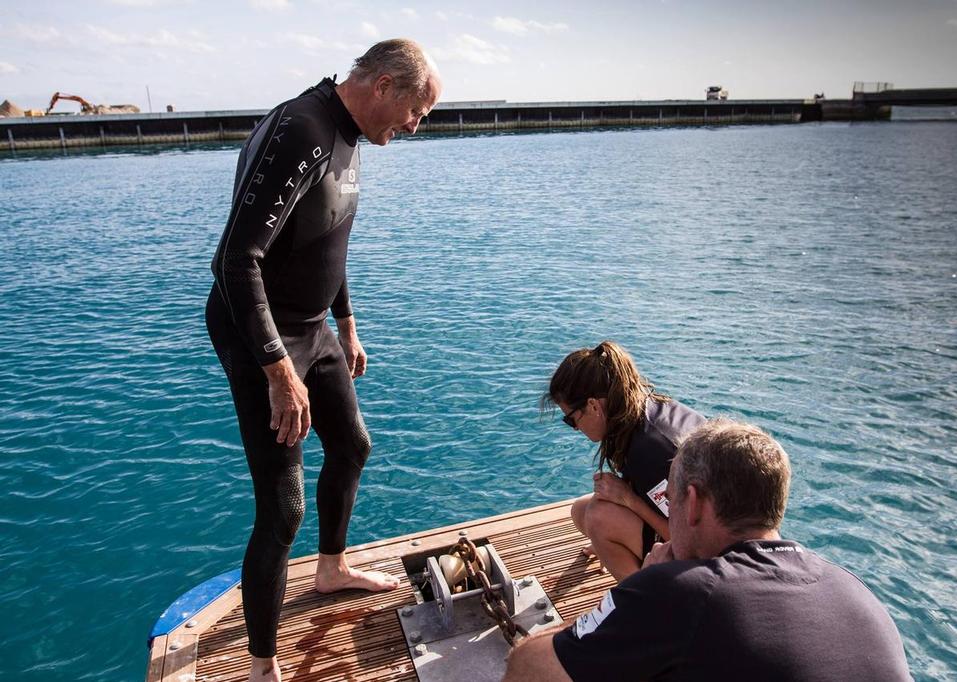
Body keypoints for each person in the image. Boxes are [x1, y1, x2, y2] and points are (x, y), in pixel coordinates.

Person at [204, 39, 441, 682]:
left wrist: (346, 324)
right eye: (417, 111)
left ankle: (331, 569)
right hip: (260, 335)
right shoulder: (301, 130)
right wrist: (278, 370)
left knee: (353, 444)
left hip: (313, 328)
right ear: (385, 86)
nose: (417, 126)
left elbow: (327, 237)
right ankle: (261, 666)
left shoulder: (350, 131)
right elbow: (235, 261)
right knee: (282, 508)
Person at [503, 419, 913, 681]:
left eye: (672, 497)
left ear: (694, 502)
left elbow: (528, 668)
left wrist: (638, 588)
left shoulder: (687, 590)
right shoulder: (854, 589)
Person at [546, 341, 705, 580]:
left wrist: (627, 499)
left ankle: (643, 603)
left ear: (592, 406)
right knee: (582, 511)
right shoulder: (642, 412)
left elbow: (685, 537)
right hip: (700, 531)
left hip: (709, 554)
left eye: (571, 419)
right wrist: (608, 545)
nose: (575, 428)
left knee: (599, 519)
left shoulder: (650, 450)